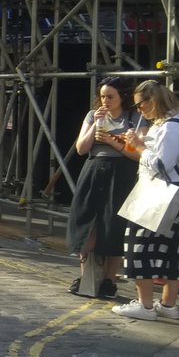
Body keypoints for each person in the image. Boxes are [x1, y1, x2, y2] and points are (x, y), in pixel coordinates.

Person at [113, 80, 179, 321]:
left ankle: (145, 305)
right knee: (172, 248)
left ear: (153, 101)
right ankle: (168, 305)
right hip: (177, 193)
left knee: (138, 245)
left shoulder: (171, 128)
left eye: (141, 105)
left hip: (162, 192)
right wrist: (142, 143)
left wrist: (140, 147)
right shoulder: (177, 122)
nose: (139, 110)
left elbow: (161, 164)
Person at [66, 78, 140, 298]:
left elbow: (137, 154)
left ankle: (109, 280)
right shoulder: (93, 115)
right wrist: (94, 126)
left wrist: (111, 142)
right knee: (86, 221)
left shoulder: (133, 118)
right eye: (102, 96)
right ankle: (86, 276)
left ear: (122, 97)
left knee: (113, 224)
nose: (105, 101)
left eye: (110, 96)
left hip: (121, 172)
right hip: (94, 168)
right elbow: (81, 148)